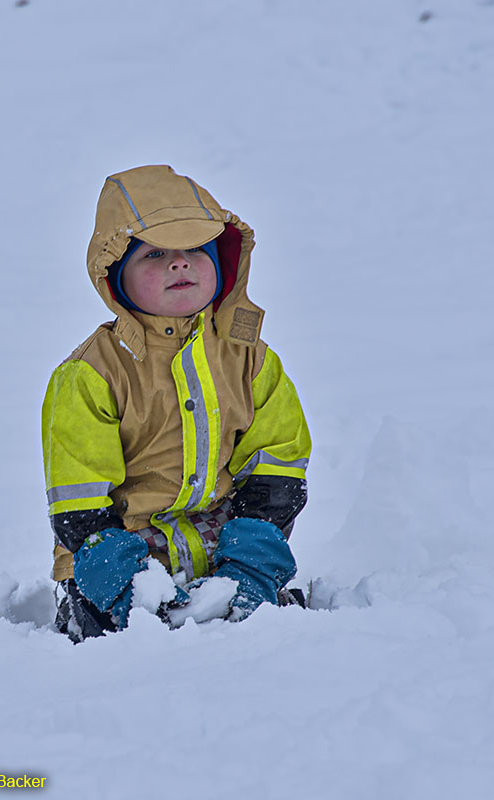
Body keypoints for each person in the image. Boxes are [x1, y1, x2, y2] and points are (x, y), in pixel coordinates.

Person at [41, 165, 311, 641]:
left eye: (194, 251)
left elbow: (278, 465)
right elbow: (80, 504)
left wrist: (250, 561)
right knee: (110, 635)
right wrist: (127, 584)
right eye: (156, 253)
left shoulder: (249, 361)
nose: (180, 263)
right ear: (116, 276)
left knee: (268, 626)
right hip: (120, 557)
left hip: (225, 547)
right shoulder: (91, 375)